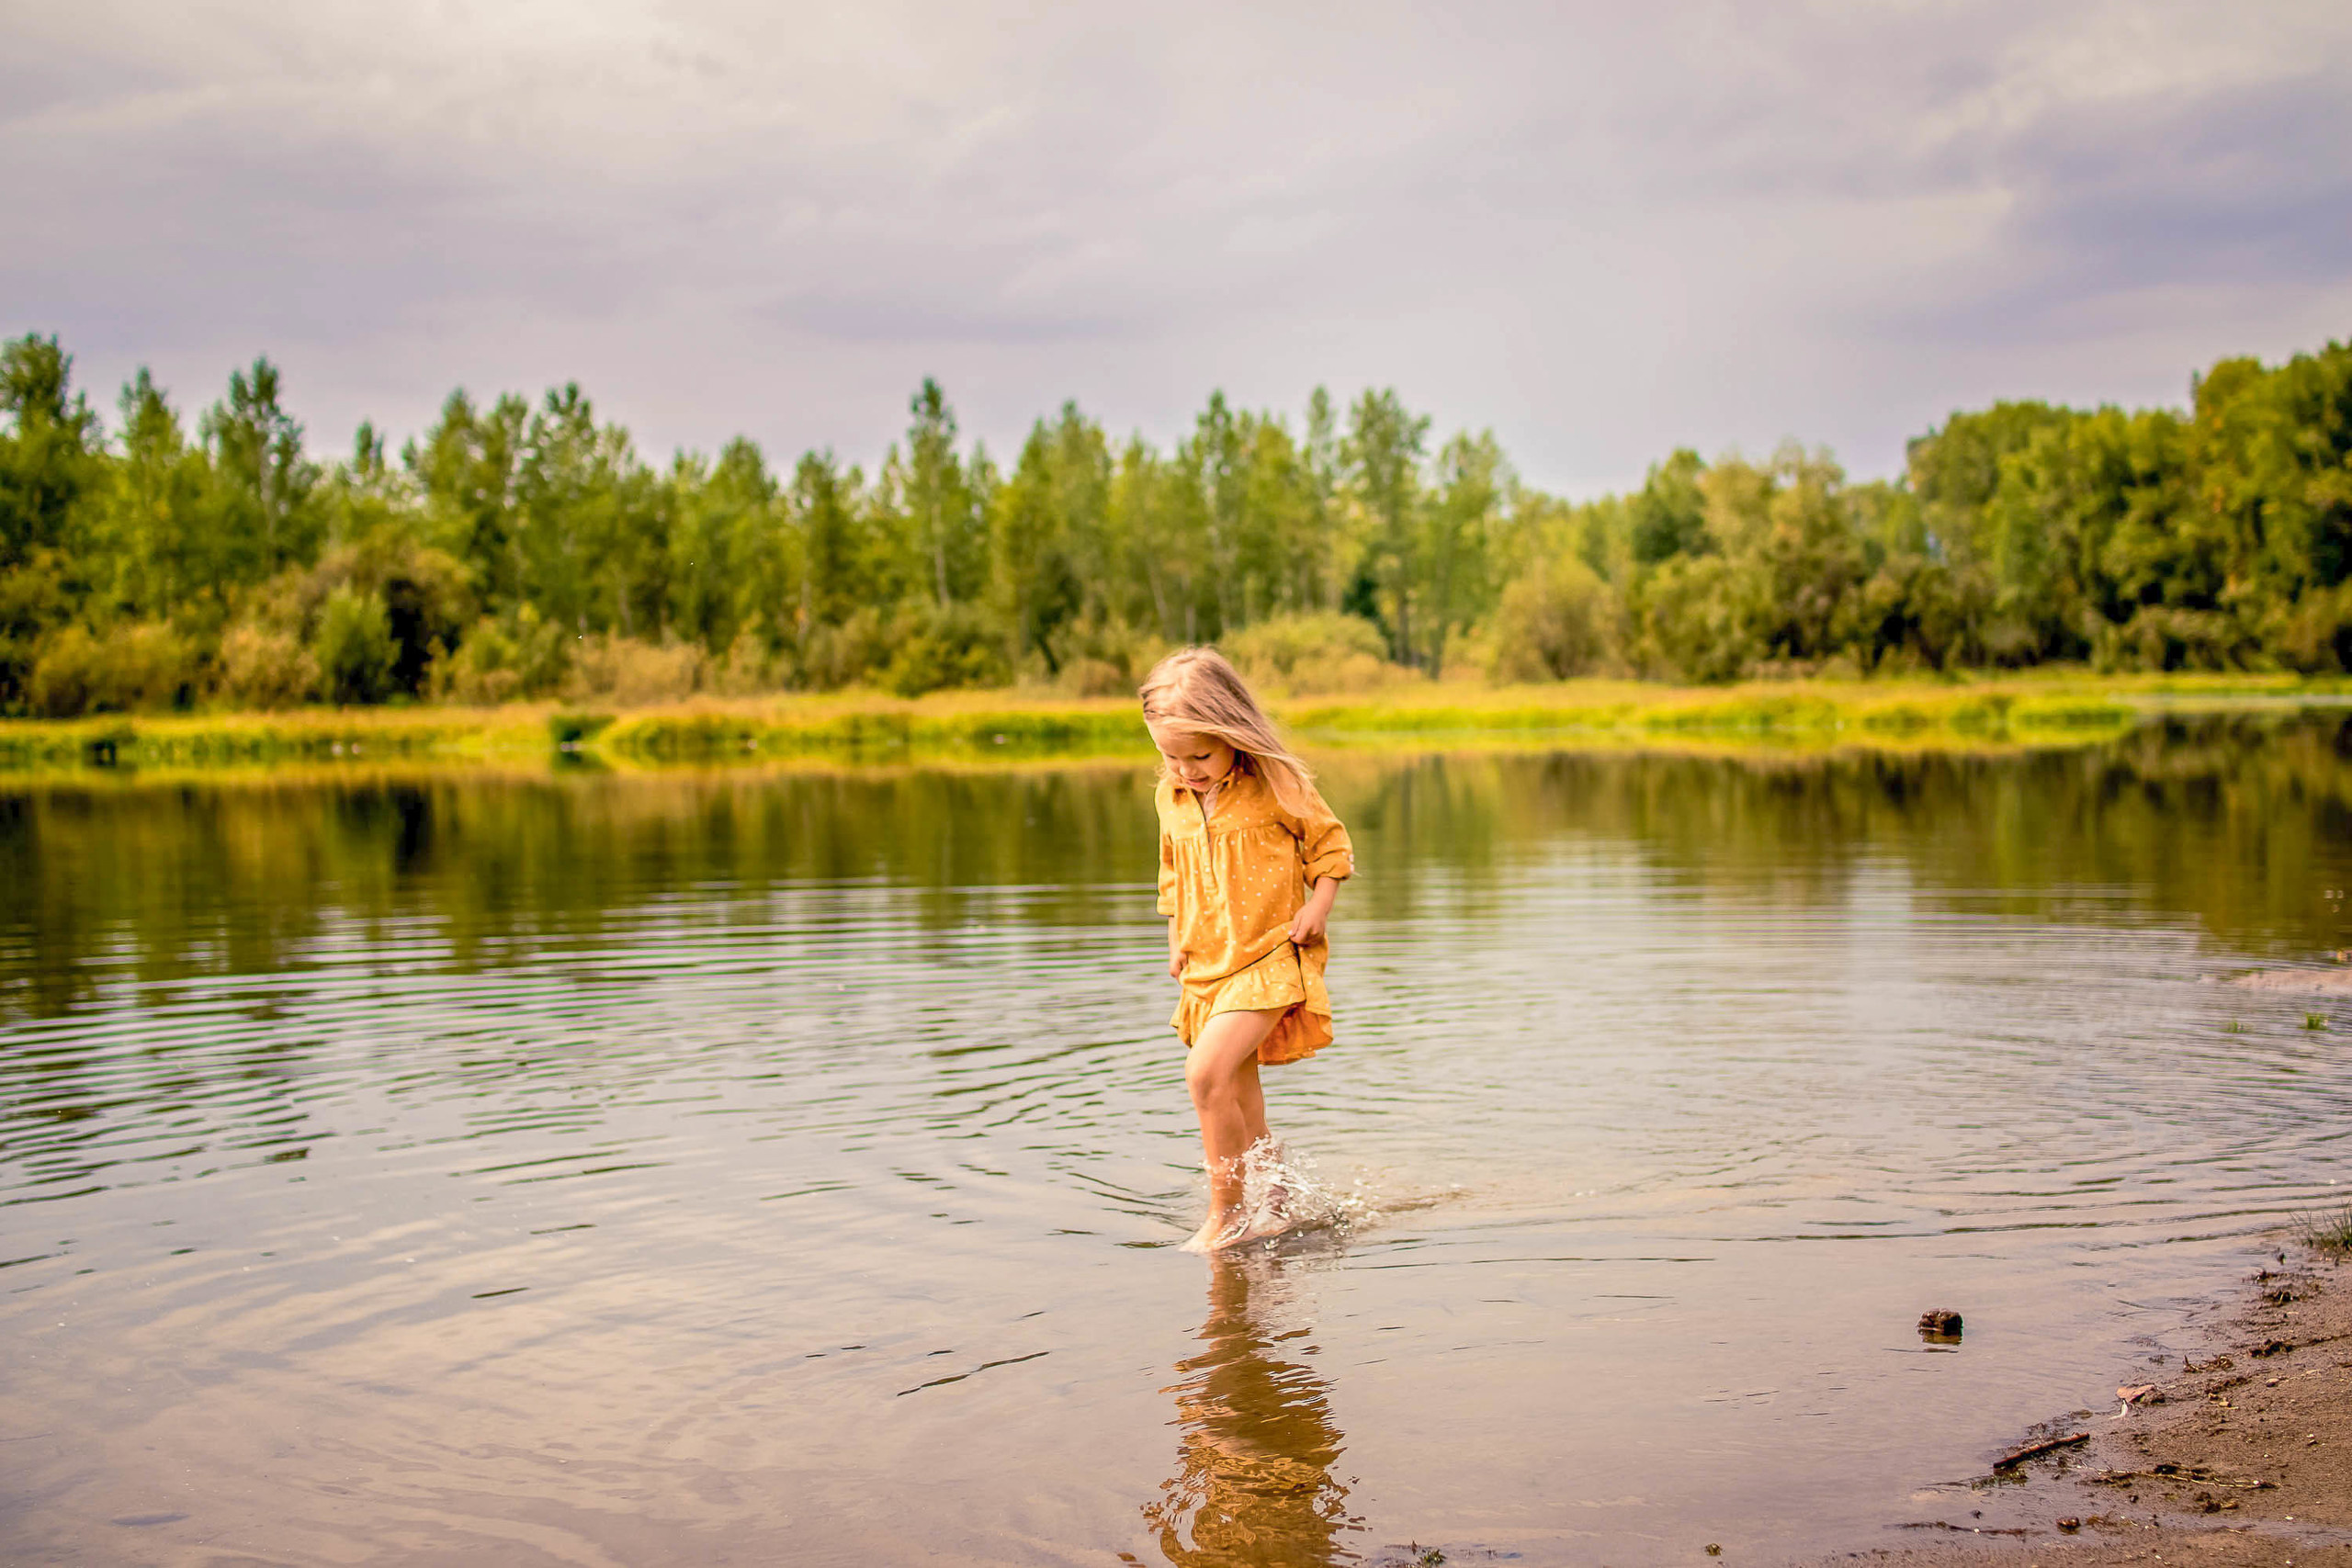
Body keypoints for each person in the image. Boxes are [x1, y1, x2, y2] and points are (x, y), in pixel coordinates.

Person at [1140, 647, 1354, 1252]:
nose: (1186, 769)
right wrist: (1177, 935)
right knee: (1235, 1092)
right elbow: (1173, 874)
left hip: (1268, 956)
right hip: (1208, 961)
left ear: (1233, 730)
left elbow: (1331, 847)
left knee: (1204, 1073)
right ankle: (1274, 1196)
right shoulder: (1172, 797)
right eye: (1171, 756)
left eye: (1200, 754)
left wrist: (1318, 906)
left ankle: (1225, 1214)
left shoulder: (1277, 785)